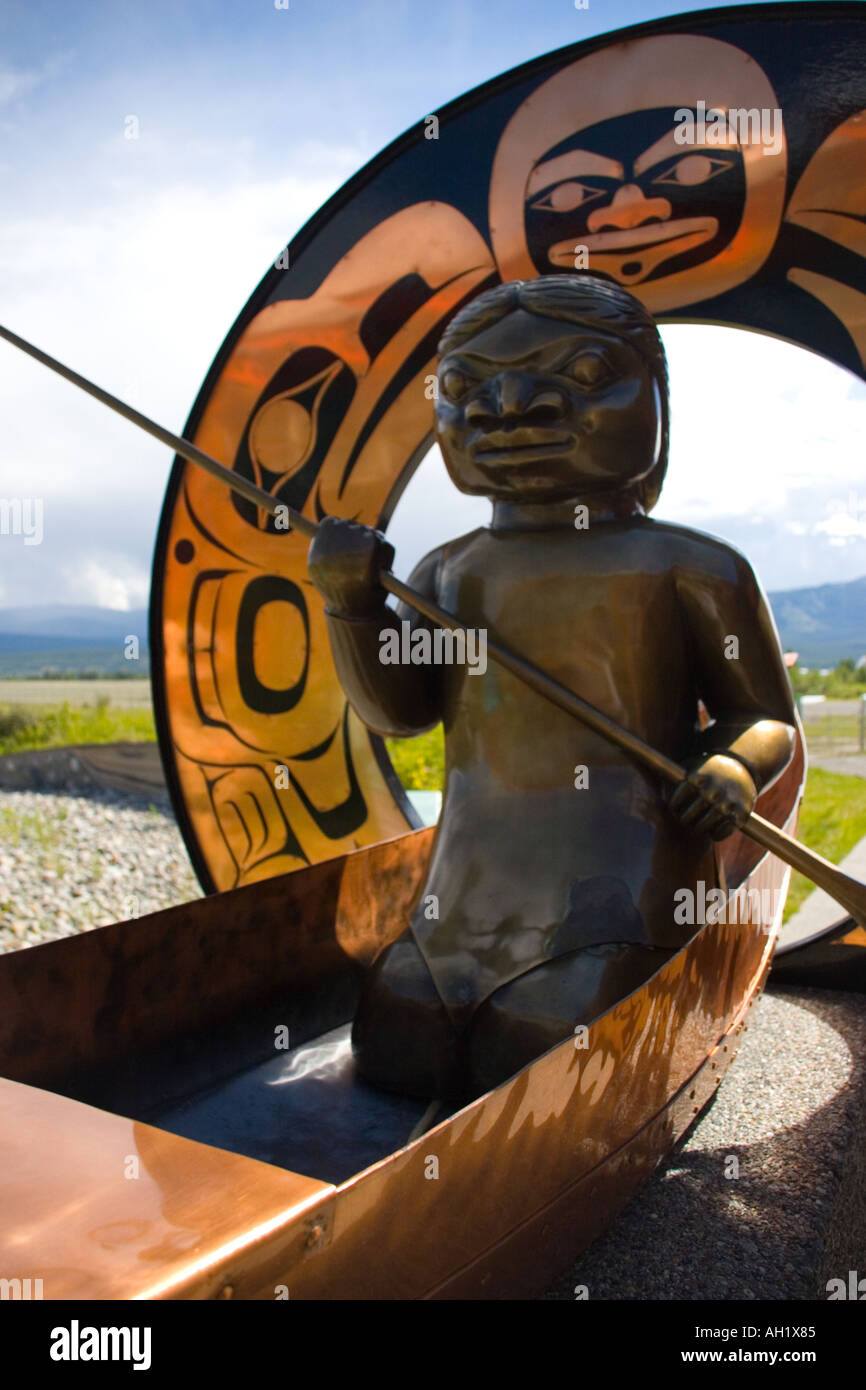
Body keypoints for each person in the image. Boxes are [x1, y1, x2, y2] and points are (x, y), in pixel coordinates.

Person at [307, 274, 796, 1099]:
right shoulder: (449, 571)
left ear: (656, 405)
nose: (509, 406)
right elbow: (398, 713)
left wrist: (735, 765)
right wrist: (352, 606)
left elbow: (764, 717)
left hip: (621, 894)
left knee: (541, 1053)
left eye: (580, 375)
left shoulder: (690, 566)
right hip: (459, 903)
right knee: (396, 1045)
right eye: (465, 388)